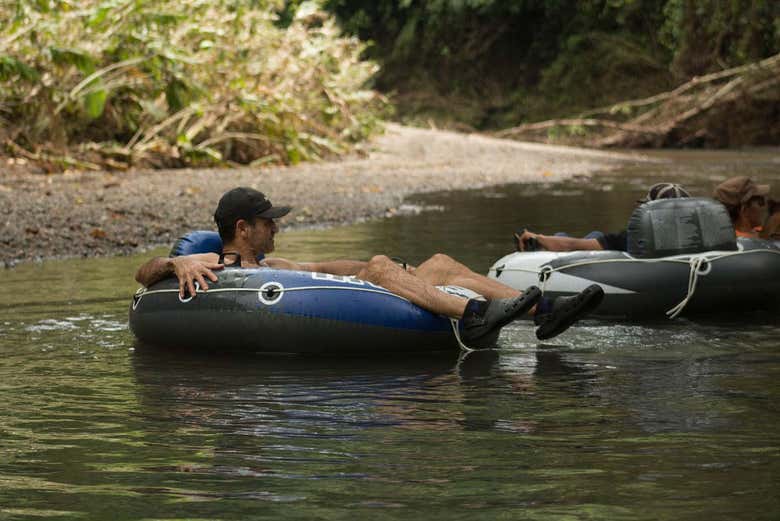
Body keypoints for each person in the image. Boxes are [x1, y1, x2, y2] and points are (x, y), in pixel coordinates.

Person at [135, 187, 604, 344]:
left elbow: (325, 265)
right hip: (312, 310)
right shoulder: (208, 261)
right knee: (380, 267)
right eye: (267, 221)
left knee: (438, 263)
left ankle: (545, 312)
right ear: (242, 227)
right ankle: (475, 316)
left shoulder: (275, 261)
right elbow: (143, 274)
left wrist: (381, 267)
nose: (275, 227)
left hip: (354, 292)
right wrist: (174, 264)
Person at [514, 182, 691, 252]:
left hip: (605, 255)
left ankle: (537, 247)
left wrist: (538, 237)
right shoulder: (700, 239)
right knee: (596, 235)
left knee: (574, 237)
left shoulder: (633, 239)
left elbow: (572, 245)